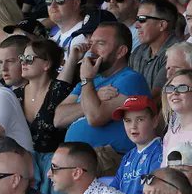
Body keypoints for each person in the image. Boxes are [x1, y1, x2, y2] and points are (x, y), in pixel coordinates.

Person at [56, 22, 151, 155]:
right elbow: (58, 119)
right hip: (77, 158)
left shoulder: (131, 79)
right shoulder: (90, 81)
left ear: (120, 51)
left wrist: (87, 81)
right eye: (91, 43)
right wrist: (95, 96)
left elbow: (95, 117)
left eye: (100, 44)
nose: (91, 50)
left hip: (106, 158)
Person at [16, 39, 73, 194]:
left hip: (55, 164)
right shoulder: (15, 95)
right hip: (24, 166)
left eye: (29, 59)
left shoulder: (59, 91)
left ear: (46, 65)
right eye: (22, 58)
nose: (23, 62)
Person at [110, 96, 163, 194]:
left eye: (140, 119)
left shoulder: (160, 151)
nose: (133, 126)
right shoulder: (128, 156)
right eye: (127, 120)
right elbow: (112, 190)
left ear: (155, 121)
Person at [132, 0, 181, 95]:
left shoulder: (177, 53)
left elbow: (157, 97)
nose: (136, 25)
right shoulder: (138, 51)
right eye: (136, 19)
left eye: (142, 19)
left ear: (162, 25)